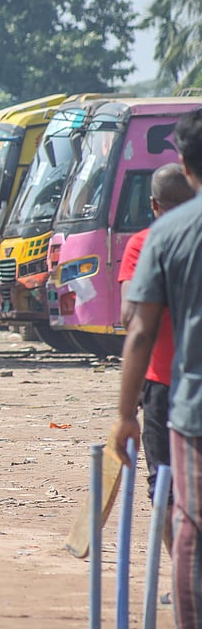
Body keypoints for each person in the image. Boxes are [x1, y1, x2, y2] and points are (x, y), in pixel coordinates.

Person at [112, 108, 202, 629]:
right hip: (177, 391)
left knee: (180, 508)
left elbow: (135, 325)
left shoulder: (158, 238)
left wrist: (123, 414)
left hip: (179, 393)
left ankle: (183, 593)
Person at [118, 163, 194, 508]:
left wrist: (125, 412)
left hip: (163, 383)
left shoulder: (148, 242)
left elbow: (131, 321)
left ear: (153, 204)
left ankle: (183, 560)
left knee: (164, 487)